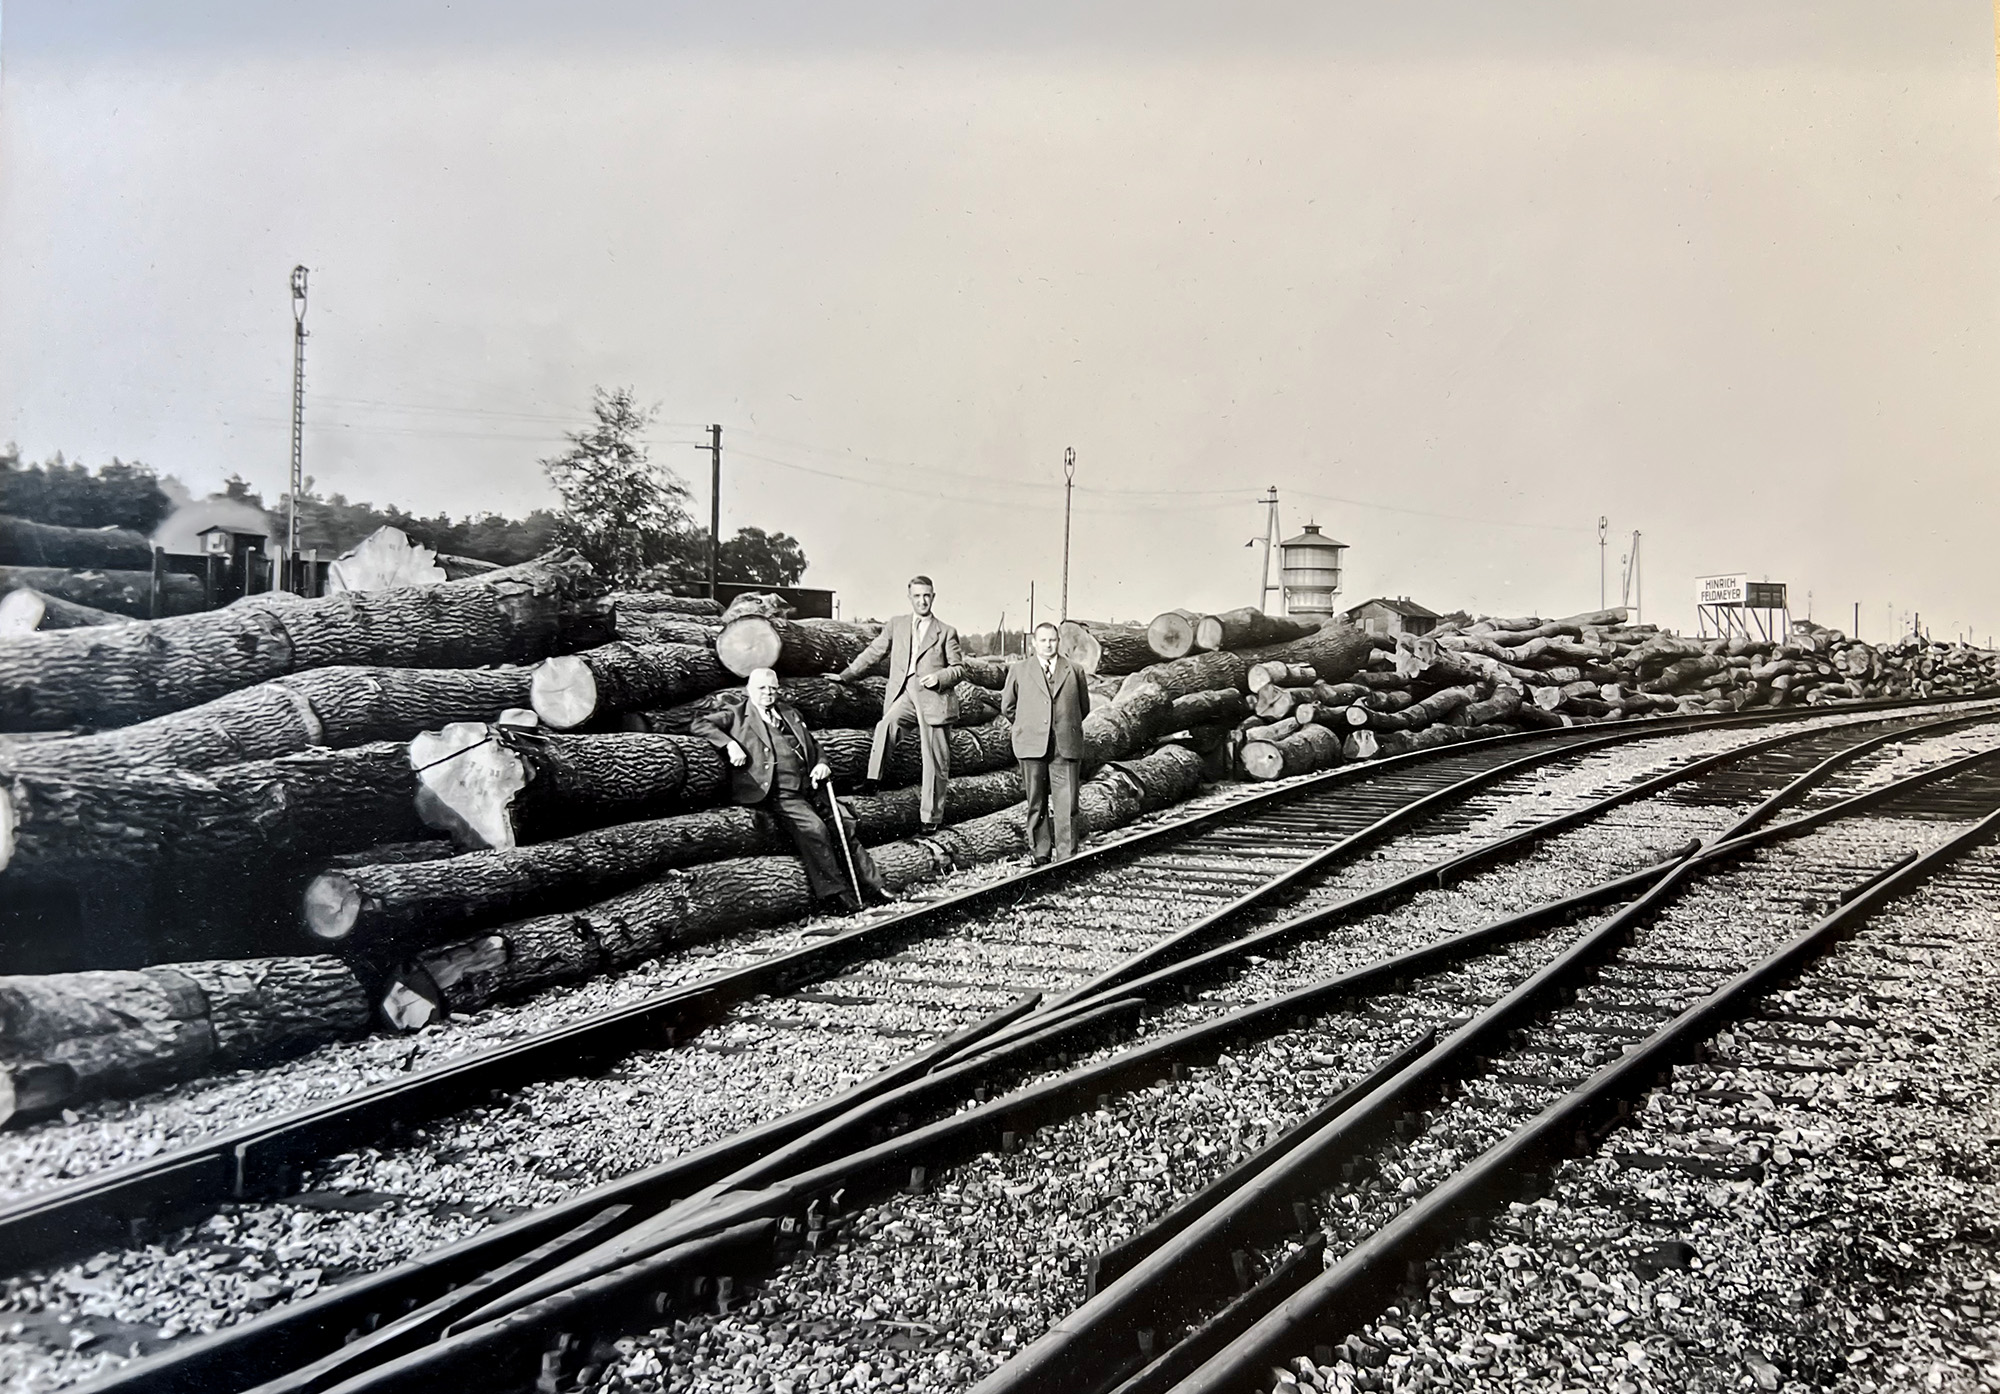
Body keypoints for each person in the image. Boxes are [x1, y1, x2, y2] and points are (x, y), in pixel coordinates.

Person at [691, 667, 884, 912]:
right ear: (749, 690)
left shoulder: (789, 713)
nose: (767, 693)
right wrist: (729, 744)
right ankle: (835, 895)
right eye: (761, 688)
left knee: (843, 823)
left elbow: (814, 746)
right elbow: (699, 722)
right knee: (814, 830)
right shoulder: (737, 714)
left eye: (772, 688)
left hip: (810, 787)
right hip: (777, 792)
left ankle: (874, 886)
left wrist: (822, 764)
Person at [836, 575, 964, 830]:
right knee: (886, 725)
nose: (922, 601)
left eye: (927, 595)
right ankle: (873, 780)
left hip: (935, 699)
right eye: (917, 596)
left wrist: (938, 678)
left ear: (933, 597)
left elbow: (959, 669)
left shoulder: (946, 631)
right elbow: (874, 652)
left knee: (934, 760)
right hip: (905, 693)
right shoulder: (897, 624)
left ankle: (931, 817)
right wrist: (845, 676)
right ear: (910, 598)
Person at [1001, 621, 1092, 864]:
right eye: (1043, 640)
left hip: (1065, 745)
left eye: (1052, 640)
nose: (1048, 644)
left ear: (1058, 641)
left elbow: (1083, 707)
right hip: (1032, 745)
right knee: (1036, 801)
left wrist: (1061, 726)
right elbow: (1008, 707)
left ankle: (1067, 856)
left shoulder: (1074, 670)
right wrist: (1031, 726)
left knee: (1068, 804)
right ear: (1033, 643)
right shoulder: (1020, 670)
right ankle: (1040, 854)